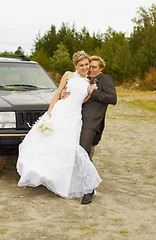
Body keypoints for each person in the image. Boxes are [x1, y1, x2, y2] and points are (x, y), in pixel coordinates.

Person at [16, 51, 102, 202]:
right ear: (75, 66)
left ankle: (63, 181)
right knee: (48, 143)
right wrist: (50, 111)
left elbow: (82, 101)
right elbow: (57, 93)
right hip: (60, 111)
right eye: (81, 65)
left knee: (68, 148)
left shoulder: (89, 84)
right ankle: (42, 173)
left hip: (74, 117)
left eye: (86, 65)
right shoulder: (68, 75)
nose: (84, 67)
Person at [61, 55, 117, 204]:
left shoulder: (105, 80)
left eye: (94, 67)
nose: (90, 69)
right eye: (89, 66)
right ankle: (77, 183)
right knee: (76, 151)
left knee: (83, 152)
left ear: (101, 68)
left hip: (92, 122)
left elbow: (113, 98)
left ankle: (89, 190)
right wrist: (63, 93)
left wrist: (94, 92)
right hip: (77, 120)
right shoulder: (85, 80)